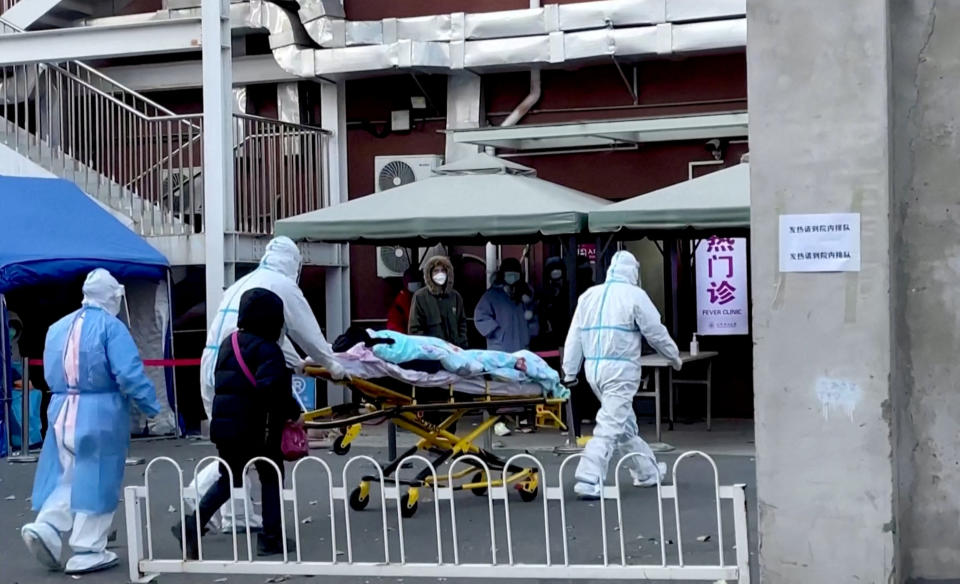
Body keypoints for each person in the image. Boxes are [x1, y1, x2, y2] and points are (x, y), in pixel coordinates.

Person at [189, 235, 345, 533]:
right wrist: (333, 366)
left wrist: (297, 362)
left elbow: (269, 334)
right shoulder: (284, 286)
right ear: (294, 262)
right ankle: (203, 495)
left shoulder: (242, 284)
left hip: (218, 362)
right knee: (255, 450)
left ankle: (237, 517)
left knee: (232, 445)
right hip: (248, 373)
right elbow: (305, 333)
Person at [21, 269, 161, 574]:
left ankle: (47, 525)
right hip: (100, 411)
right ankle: (87, 548)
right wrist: (151, 405)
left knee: (65, 475)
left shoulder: (58, 327)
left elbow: (49, 372)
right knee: (98, 476)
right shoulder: (112, 328)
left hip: (61, 409)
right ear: (112, 296)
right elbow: (128, 373)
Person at [173, 288, 302, 559]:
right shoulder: (268, 350)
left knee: (229, 478)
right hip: (258, 428)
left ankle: (192, 525)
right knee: (271, 476)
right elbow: (273, 391)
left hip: (227, 426)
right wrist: (292, 412)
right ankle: (270, 538)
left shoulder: (228, 343)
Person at [561, 251, 682, 499]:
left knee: (623, 425)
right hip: (621, 370)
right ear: (633, 272)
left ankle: (646, 471)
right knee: (609, 425)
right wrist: (673, 356)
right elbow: (655, 331)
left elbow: (575, 336)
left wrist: (569, 371)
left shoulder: (588, 296)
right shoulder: (635, 295)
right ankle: (588, 476)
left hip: (593, 370)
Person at [408, 255, 468, 348]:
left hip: (454, 351)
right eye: (436, 271)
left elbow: (462, 323)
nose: (440, 274)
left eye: (443, 270)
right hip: (431, 354)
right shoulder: (420, 296)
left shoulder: (455, 296)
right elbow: (415, 328)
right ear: (429, 274)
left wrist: (462, 344)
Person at [386, 266, 421, 333]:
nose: (415, 284)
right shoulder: (401, 300)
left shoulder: (426, 298)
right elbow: (394, 326)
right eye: (412, 281)